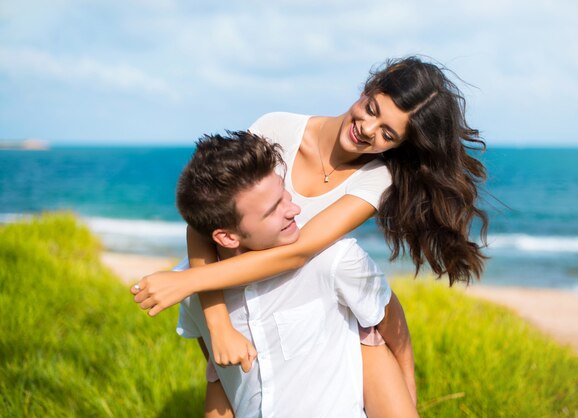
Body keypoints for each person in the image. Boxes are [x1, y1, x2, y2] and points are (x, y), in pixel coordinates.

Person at [132, 56, 488, 416]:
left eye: (388, 134)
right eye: (371, 109)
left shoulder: (376, 178)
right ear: (367, 89)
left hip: (321, 307)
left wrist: (190, 280)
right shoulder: (277, 128)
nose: (368, 129)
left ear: (399, 145)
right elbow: (207, 214)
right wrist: (218, 321)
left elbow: (298, 252)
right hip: (245, 301)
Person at [174, 131, 415, 417]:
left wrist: (409, 397)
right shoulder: (192, 289)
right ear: (227, 238)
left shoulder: (333, 261)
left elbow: (387, 328)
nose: (295, 209)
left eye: (284, 194)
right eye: (273, 209)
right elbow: (220, 376)